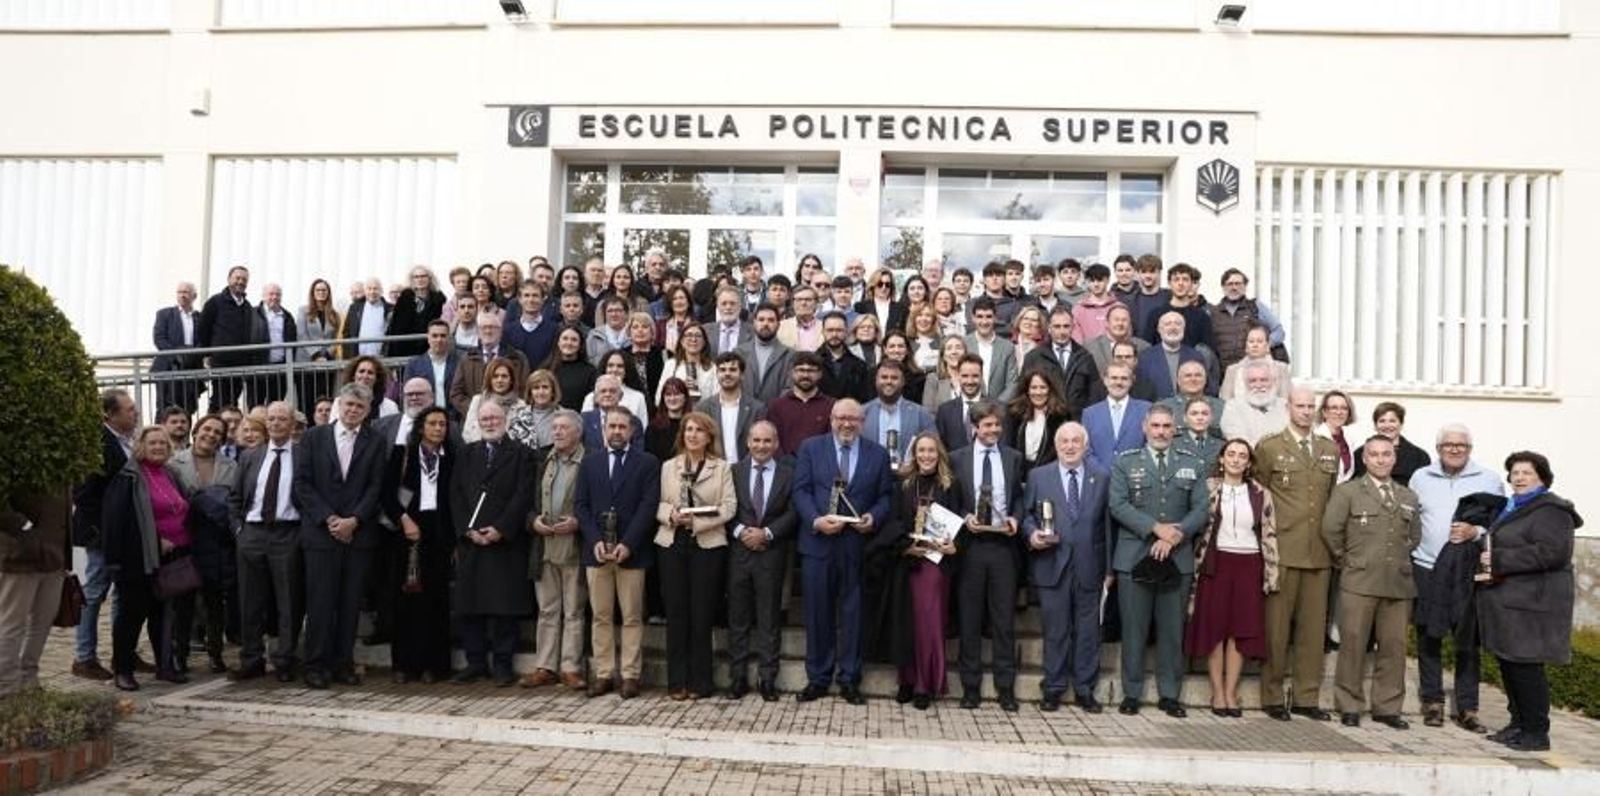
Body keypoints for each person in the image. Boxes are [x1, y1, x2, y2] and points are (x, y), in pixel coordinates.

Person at [1478, 451, 1581, 753]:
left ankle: (1537, 732)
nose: (1519, 478)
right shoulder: (1516, 508)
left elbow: (1553, 553)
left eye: (1527, 472)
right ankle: (1518, 724)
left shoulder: (1551, 510)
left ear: (1542, 478)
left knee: (1526, 666)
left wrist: (1498, 559)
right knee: (1510, 664)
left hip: (1534, 605)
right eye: (1515, 473)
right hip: (1513, 601)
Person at [793, 399, 894, 706]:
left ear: (862, 421)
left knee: (853, 614)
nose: (846, 424)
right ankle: (818, 678)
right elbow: (801, 490)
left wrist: (873, 517)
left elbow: (886, 496)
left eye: (853, 419)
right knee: (818, 613)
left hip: (856, 545)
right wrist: (815, 520)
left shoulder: (877, 453)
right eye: (841, 418)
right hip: (818, 544)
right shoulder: (811, 448)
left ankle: (850, 678)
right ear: (831, 419)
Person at [1108, 405, 1207, 717]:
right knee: (1134, 629)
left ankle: (1169, 694)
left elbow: (1202, 508)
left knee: (1171, 630)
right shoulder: (1126, 462)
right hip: (1135, 555)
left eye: (1166, 426)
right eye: (1156, 425)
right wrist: (1155, 528)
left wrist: (1174, 536)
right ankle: (1132, 693)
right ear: (1144, 427)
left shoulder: (1192, 464)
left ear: (1174, 428)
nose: (1161, 431)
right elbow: (1117, 505)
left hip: (1176, 558)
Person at [1410, 424, 1504, 732]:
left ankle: (1468, 708)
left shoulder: (1489, 479)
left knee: (1467, 641)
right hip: (1426, 566)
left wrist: (1475, 532)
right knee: (1428, 636)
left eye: (1461, 445)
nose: (1454, 449)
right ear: (1438, 449)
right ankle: (1433, 702)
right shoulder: (1420, 477)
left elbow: (1501, 525)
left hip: (1466, 571)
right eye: (1448, 444)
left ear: (1470, 448)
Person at [292, 383, 387, 689]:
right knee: (320, 603)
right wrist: (331, 519)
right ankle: (315, 665)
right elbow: (302, 484)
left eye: (359, 407)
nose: (353, 411)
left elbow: (375, 487)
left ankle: (342, 663)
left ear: (368, 410)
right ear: (339, 404)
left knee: (349, 604)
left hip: (358, 536)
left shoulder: (375, 441)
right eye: (348, 405)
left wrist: (354, 520)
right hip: (321, 535)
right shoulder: (313, 437)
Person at [1322, 435, 1421, 730]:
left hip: (1397, 584)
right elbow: (1331, 531)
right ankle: (1349, 705)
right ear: (1364, 459)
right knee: (1353, 645)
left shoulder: (1407, 497)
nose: (1380, 459)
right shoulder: (1348, 492)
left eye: (1386, 454)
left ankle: (1387, 707)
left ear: (1394, 458)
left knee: (1394, 647)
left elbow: (1413, 537)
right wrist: (1349, 561)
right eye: (1374, 454)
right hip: (1360, 580)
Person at [864, 432, 962, 711]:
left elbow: (958, 523)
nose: (927, 456)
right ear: (914, 454)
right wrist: (907, 547)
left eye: (932, 451)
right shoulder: (904, 484)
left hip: (935, 565)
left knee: (929, 625)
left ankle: (925, 684)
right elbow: (894, 522)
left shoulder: (950, 485)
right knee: (906, 624)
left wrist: (953, 545)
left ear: (939, 453)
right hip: (907, 561)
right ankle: (906, 679)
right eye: (921, 451)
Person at [1184, 438, 1279, 718]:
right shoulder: (1208, 489)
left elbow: (1269, 533)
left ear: (1249, 463)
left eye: (1242, 456)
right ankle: (1216, 692)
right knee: (1215, 630)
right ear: (1222, 459)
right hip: (1216, 562)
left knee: (1239, 630)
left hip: (1249, 563)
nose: (1236, 460)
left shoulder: (1261, 493)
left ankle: (1230, 692)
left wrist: (1271, 572)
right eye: (1231, 454)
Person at [1022, 422, 1111, 713]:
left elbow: (1108, 527)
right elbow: (1026, 516)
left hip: (1090, 567)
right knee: (1056, 631)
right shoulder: (1038, 476)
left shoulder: (1102, 476)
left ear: (1085, 446)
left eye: (1076, 441)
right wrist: (1031, 534)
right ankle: (1054, 688)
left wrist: (1109, 569)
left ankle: (1085, 689)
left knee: (1088, 632)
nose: (1070, 446)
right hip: (1052, 564)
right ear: (1056, 445)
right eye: (1064, 441)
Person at [576, 407, 661, 699]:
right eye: (611, 426)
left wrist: (629, 543)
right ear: (603, 429)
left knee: (632, 616)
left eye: (622, 427)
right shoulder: (590, 463)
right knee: (600, 616)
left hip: (632, 553)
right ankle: (603, 674)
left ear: (632, 431)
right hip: (597, 552)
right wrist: (594, 540)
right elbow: (581, 506)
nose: (616, 431)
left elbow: (648, 506)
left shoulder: (648, 463)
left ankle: (630, 675)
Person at [99, 426, 191, 691]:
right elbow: (118, 523)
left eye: (163, 443)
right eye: (153, 443)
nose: (159, 447)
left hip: (172, 558)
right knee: (131, 616)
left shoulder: (171, 474)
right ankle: (123, 670)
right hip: (137, 560)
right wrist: (153, 540)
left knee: (162, 615)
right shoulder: (128, 477)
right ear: (141, 445)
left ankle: (165, 666)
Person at [448, 401, 532, 686]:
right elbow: (455, 494)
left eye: (495, 417)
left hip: (504, 542)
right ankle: (475, 663)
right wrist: (467, 529)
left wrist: (500, 529)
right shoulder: (466, 453)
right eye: (484, 418)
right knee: (470, 605)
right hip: (471, 541)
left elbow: (523, 495)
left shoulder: (521, 454)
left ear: (505, 420)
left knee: (504, 608)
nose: (490, 422)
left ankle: (503, 665)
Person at [653, 412, 736, 699]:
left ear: (709, 436)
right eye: (688, 430)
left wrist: (698, 523)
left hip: (707, 546)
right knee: (676, 614)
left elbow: (728, 507)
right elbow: (659, 503)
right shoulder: (668, 466)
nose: (692, 435)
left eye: (699, 430)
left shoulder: (722, 468)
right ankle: (677, 682)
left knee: (701, 615)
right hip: (672, 543)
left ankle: (701, 682)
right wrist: (671, 516)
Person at [952, 400, 1025, 712]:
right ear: (975, 428)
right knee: (969, 619)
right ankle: (970, 688)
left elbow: (1021, 499)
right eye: (987, 425)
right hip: (970, 548)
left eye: (997, 425)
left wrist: (1016, 519)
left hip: (1003, 549)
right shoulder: (957, 459)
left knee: (1003, 620)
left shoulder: (1013, 458)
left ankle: (1005, 687)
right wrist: (963, 516)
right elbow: (950, 500)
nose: (993, 430)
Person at [377, 406, 455, 684]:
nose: (438, 429)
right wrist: (404, 520)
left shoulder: (451, 457)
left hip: (439, 533)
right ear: (421, 427)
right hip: (407, 532)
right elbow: (386, 494)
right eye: (433, 423)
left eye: (443, 424)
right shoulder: (403, 455)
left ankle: (435, 666)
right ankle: (405, 664)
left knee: (437, 600)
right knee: (406, 599)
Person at [227, 403, 301, 683]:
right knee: (250, 601)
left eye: (282, 419)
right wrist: (238, 530)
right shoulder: (251, 456)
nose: (276, 424)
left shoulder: (303, 455)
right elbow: (234, 497)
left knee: (288, 601)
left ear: (292, 424)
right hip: (252, 535)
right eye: (271, 419)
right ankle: (251, 659)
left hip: (288, 534)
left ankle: (284, 660)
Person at [70, 389, 141, 682]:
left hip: (122, 533)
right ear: (110, 415)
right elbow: (84, 493)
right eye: (129, 410)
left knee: (121, 594)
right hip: (102, 534)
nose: (135, 413)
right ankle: (85, 657)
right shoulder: (98, 443)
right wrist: (101, 530)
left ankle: (123, 652)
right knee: (95, 592)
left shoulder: (125, 441)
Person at [724, 421, 797, 702]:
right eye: (756, 441)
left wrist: (767, 533)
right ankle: (738, 678)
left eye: (767, 441)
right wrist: (743, 532)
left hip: (772, 552)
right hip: (740, 553)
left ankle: (768, 679)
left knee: (769, 619)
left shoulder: (788, 474)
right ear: (748, 443)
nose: (761, 446)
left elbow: (793, 512)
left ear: (776, 444)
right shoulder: (734, 472)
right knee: (738, 618)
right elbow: (728, 509)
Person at [166, 413, 240, 675]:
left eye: (217, 433)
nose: (211, 435)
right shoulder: (174, 463)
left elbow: (233, 501)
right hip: (186, 539)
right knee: (184, 601)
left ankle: (215, 653)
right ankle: (180, 654)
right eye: (207, 429)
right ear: (196, 431)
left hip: (217, 540)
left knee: (214, 601)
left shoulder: (230, 465)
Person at [521, 410, 589, 691]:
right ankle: (545, 666)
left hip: (574, 547)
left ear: (578, 433)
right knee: (548, 610)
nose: (557, 432)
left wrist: (578, 522)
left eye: (563, 428)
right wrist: (533, 521)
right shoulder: (542, 459)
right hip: (544, 546)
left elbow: (598, 505)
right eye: (554, 428)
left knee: (574, 610)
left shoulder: (590, 461)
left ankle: (571, 668)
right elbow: (528, 500)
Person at [0, 482, 71, 696]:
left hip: (55, 555)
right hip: (19, 556)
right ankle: (6, 686)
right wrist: (24, 528)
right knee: (12, 623)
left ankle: (28, 679)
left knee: (42, 622)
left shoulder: (69, 458)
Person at [1020, 306, 1099, 416]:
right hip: (1045, 422)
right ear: (1049, 328)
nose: (1062, 331)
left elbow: (1094, 395)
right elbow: (1023, 393)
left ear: (1073, 327)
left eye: (1066, 326)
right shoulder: (1034, 357)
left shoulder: (1085, 357)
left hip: (1076, 423)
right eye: (1057, 326)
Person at [450, 312, 530, 420]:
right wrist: (477, 409)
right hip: (475, 421)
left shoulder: (518, 358)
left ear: (500, 331)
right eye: (484, 328)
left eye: (493, 327)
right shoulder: (466, 359)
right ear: (478, 332)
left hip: (508, 421)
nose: (488, 331)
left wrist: (502, 411)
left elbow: (524, 390)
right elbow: (456, 393)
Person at [196, 265, 255, 410]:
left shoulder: (247, 307)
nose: (240, 282)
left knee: (233, 401)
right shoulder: (215, 302)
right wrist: (208, 354)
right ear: (229, 279)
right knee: (219, 400)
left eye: (244, 279)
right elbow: (203, 329)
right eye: (237, 278)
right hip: (221, 362)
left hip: (241, 364)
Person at [1208, 268, 1288, 371]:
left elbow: (1279, 332)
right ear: (1223, 287)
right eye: (1230, 284)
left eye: (1238, 284)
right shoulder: (1213, 313)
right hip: (1225, 373)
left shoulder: (1256, 307)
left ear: (1245, 286)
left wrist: (1265, 346)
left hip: (1254, 372)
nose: (1234, 287)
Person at [862, 360, 935, 468]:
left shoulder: (921, 413)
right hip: (872, 478)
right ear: (876, 380)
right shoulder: (862, 413)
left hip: (909, 478)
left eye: (894, 378)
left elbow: (934, 448)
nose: (889, 381)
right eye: (884, 377)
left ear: (903, 381)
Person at [696, 352, 766, 463]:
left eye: (733, 370)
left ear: (742, 375)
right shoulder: (703, 408)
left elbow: (761, 444)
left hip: (745, 471)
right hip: (714, 471)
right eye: (722, 370)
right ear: (717, 374)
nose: (727, 374)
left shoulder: (757, 408)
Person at [1081, 363, 1150, 472]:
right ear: (1105, 380)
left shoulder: (1146, 409)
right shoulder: (1089, 414)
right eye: (1114, 378)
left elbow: (1150, 445)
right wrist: (1102, 473)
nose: (1118, 382)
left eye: (1124, 378)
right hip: (1099, 481)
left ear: (1131, 381)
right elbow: (1086, 449)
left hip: (1136, 479)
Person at [764, 352, 834, 458]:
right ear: (792, 373)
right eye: (801, 370)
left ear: (820, 374)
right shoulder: (777, 406)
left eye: (811, 370)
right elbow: (772, 440)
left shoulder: (832, 406)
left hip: (819, 468)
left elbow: (833, 443)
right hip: (785, 469)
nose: (805, 375)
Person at [152, 281, 203, 414]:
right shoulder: (164, 314)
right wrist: (177, 355)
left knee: (187, 408)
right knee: (165, 409)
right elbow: (159, 339)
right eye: (180, 292)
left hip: (191, 367)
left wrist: (191, 355)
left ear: (194, 296)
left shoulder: (200, 317)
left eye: (186, 292)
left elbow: (204, 340)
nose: (182, 295)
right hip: (168, 367)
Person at [1353, 402, 1432, 487]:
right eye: (1382, 421)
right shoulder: (1359, 454)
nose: (1387, 425)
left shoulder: (1420, 456)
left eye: (1392, 421)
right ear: (1375, 426)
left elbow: (1424, 488)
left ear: (1401, 424)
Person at [1006, 369, 1073, 469]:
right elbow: (1009, 446)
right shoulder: (1015, 413)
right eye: (1033, 387)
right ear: (1027, 390)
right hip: (1019, 473)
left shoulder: (1060, 415)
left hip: (1048, 473)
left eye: (1043, 387)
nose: (1038, 392)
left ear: (1050, 389)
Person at [1136, 312, 1207, 401]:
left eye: (1177, 324)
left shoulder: (1196, 356)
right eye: (1167, 324)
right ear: (1159, 329)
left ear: (1183, 329)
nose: (1173, 328)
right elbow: (1141, 390)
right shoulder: (1145, 357)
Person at [298, 279, 343, 418]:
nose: (321, 293)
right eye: (318, 290)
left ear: (328, 293)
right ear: (313, 293)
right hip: (306, 363)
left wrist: (327, 355)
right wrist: (316, 355)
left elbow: (336, 338)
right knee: (306, 400)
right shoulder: (303, 311)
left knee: (325, 399)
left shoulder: (334, 314)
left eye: (324, 290)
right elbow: (301, 335)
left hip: (327, 363)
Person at [402, 320, 461, 419]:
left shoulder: (459, 363)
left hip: (453, 419)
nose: (439, 339)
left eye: (443, 336)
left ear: (449, 338)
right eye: (435, 336)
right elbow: (408, 395)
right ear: (428, 338)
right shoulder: (414, 365)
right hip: (423, 419)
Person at [1219, 362, 1289, 446]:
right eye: (1252, 381)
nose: (1258, 385)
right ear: (1245, 384)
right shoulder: (1233, 406)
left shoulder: (1286, 406)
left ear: (1273, 382)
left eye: (1264, 380)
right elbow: (1239, 442)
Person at [965, 297, 1019, 402]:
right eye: (980, 317)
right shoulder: (964, 344)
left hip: (999, 409)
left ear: (995, 318)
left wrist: (996, 407)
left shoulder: (1007, 347)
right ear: (973, 318)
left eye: (988, 317)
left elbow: (1012, 383)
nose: (984, 322)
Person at [1219, 324, 1293, 400]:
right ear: (1246, 347)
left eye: (1259, 341)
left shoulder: (1281, 369)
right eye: (1251, 341)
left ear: (1267, 346)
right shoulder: (1232, 370)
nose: (1255, 345)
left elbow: (1286, 400)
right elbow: (1225, 401)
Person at [461, 358, 527, 444]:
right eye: (495, 376)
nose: (500, 380)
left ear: (511, 380)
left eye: (504, 376)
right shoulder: (477, 401)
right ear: (490, 379)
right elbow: (467, 433)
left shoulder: (521, 405)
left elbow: (524, 438)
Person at [738, 304, 794, 404]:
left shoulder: (790, 355)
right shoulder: (739, 352)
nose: (765, 324)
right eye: (761, 319)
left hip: (776, 414)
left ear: (778, 324)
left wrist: (775, 409)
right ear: (754, 323)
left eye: (771, 320)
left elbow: (789, 387)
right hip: (744, 414)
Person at [387, 266, 446, 358]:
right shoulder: (405, 298)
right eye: (416, 277)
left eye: (423, 276)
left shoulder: (438, 299)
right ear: (412, 280)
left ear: (429, 278)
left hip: (428, 348)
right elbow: (395, 326)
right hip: (404, 348)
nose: (420, 279)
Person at [934, 354, 987, 455]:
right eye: (965, 376)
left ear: (982, 376)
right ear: (958, 376)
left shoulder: (998, 408)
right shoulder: (944, 411)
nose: (970, 381)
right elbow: (941, 448)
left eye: (975, 376)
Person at [1160, 361, 1225, 442]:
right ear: (1178, 381)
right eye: (1188, 376)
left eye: (1198, 375)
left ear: (1205, 380)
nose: (1193, 379)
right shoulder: (1163, 408)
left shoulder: (1222, 407)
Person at [580, 375, 644, 453]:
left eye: (612, 391)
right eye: (603, 391)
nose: (607, 394)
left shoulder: (634, 421)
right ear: (595, 397)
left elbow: (638, 453)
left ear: (621, 396)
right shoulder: (583, 419)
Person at [817, 311, 872, 402]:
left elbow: (864, 400)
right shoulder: (812, 362)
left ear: (846, 331)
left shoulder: (859, 365)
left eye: (839, 330)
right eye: (830, 330)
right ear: (823, 331)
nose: (834, 334)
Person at [504, 280, 558, 370]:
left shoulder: (554, 330)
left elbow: (554, 361)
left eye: (535, 295)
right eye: (526, 295)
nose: (531, 300)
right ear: (519, 299)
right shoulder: (508, 331)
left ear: (543, 299)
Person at [1083, 303, 1149, 375]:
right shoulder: (1090, 347)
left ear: (1130, 324)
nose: (1120, 323)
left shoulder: (1144, 347)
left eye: (1124, 320)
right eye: (1116, 319)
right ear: (1107, 323)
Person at [659, 323, 716, 405]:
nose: (693, 339)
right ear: (682, 341)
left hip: (703, 414)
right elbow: (658, 399)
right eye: (689, 335)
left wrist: (699, 392)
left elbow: (717, 401)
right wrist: (680, 389)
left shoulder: (713, 368)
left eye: (698, 336)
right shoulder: (671, 365)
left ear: (704, 342)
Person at [545, 323, 597, 412]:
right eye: (565, 339)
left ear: (580, 345)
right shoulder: (546, 369)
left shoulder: (590, 372)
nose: (569, 343)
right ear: (558, 342)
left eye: (574, 340)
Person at [507, 369, 562, 451]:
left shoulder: (565, 416)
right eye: (536, 388)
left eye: (545, 387)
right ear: (530, 392)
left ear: (553, 391)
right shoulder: (517, 417)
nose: (541, 392)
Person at [339, 278, 391, 359]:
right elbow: (346, 333)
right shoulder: (354, 308)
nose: (372, 292)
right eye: (369, 289)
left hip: (382, 359)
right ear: (365, 291)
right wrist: (347, 357)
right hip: (358, 359)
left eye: (375, 289)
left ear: (381, 291)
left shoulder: (389, 309)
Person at [1070, 263, 1121, 345]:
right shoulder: (1078, 310)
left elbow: (1125, 335)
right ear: (1087, 282)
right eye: (1092, 281)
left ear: (1107, 280)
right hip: (1087, 356)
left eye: (1100, 280)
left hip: (1115, 355)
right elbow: (1076, 340)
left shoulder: (1119, 307)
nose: (1096, 284)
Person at [1315, 391, 1357, 483]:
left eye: (1344, 408)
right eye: (1334, 408)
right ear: (1324, 412)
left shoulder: (1349, 439)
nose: (1339, 412)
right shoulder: (1315, 438)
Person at [1173, 396, 1224, 471]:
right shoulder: (1173, 444)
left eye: (1205, 414)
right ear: (1185, 418)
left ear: (1212, 418)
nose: (1200, 418)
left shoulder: (1221, 445)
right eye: (1194, 414)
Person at [646, 378, 692, 461]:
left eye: (677, 394)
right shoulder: (654, 427)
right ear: (663, 398)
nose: (672, 398)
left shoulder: (692, 425)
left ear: (685, 397)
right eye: (668, 394)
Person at [920, 335, 968, 412]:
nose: (954, 352)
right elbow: (928, 412)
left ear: (965, 353)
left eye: (958, 348)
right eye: (949, 348)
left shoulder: (975, 377)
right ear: (943, 356)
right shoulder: (933, 379)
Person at [854, 267, 905, 337]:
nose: (883, 288)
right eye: (880, 284)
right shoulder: (860, 307)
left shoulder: (901, 308)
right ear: (873, 285)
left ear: (891, 287)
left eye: (887, 285)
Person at [704, 286, 753, 356]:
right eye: (724, 303)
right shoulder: (705, 331)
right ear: (717, 306)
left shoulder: (753, 332)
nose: (728, 307)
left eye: (732, 303)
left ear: (740, 306)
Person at [776, 286, 823, 352]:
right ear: (793, 304)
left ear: (816, 303)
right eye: (799, 300)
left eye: (808, 300)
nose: (803, 303)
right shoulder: (780, 327)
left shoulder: (825, 327)